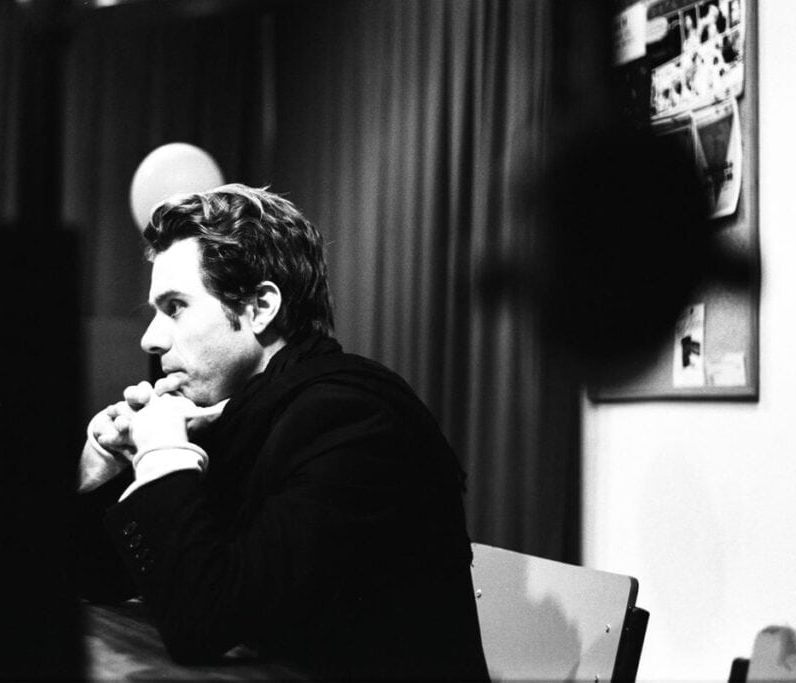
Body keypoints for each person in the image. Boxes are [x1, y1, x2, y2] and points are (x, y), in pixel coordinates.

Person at [76, 184, 489, 680]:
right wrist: (101, 471)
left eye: (176, 306)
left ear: (259, 307)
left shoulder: (352, 419)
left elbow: (203, 620)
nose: (150, 338)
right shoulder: (240, 415)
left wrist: (163, 454)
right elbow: (101, 580)